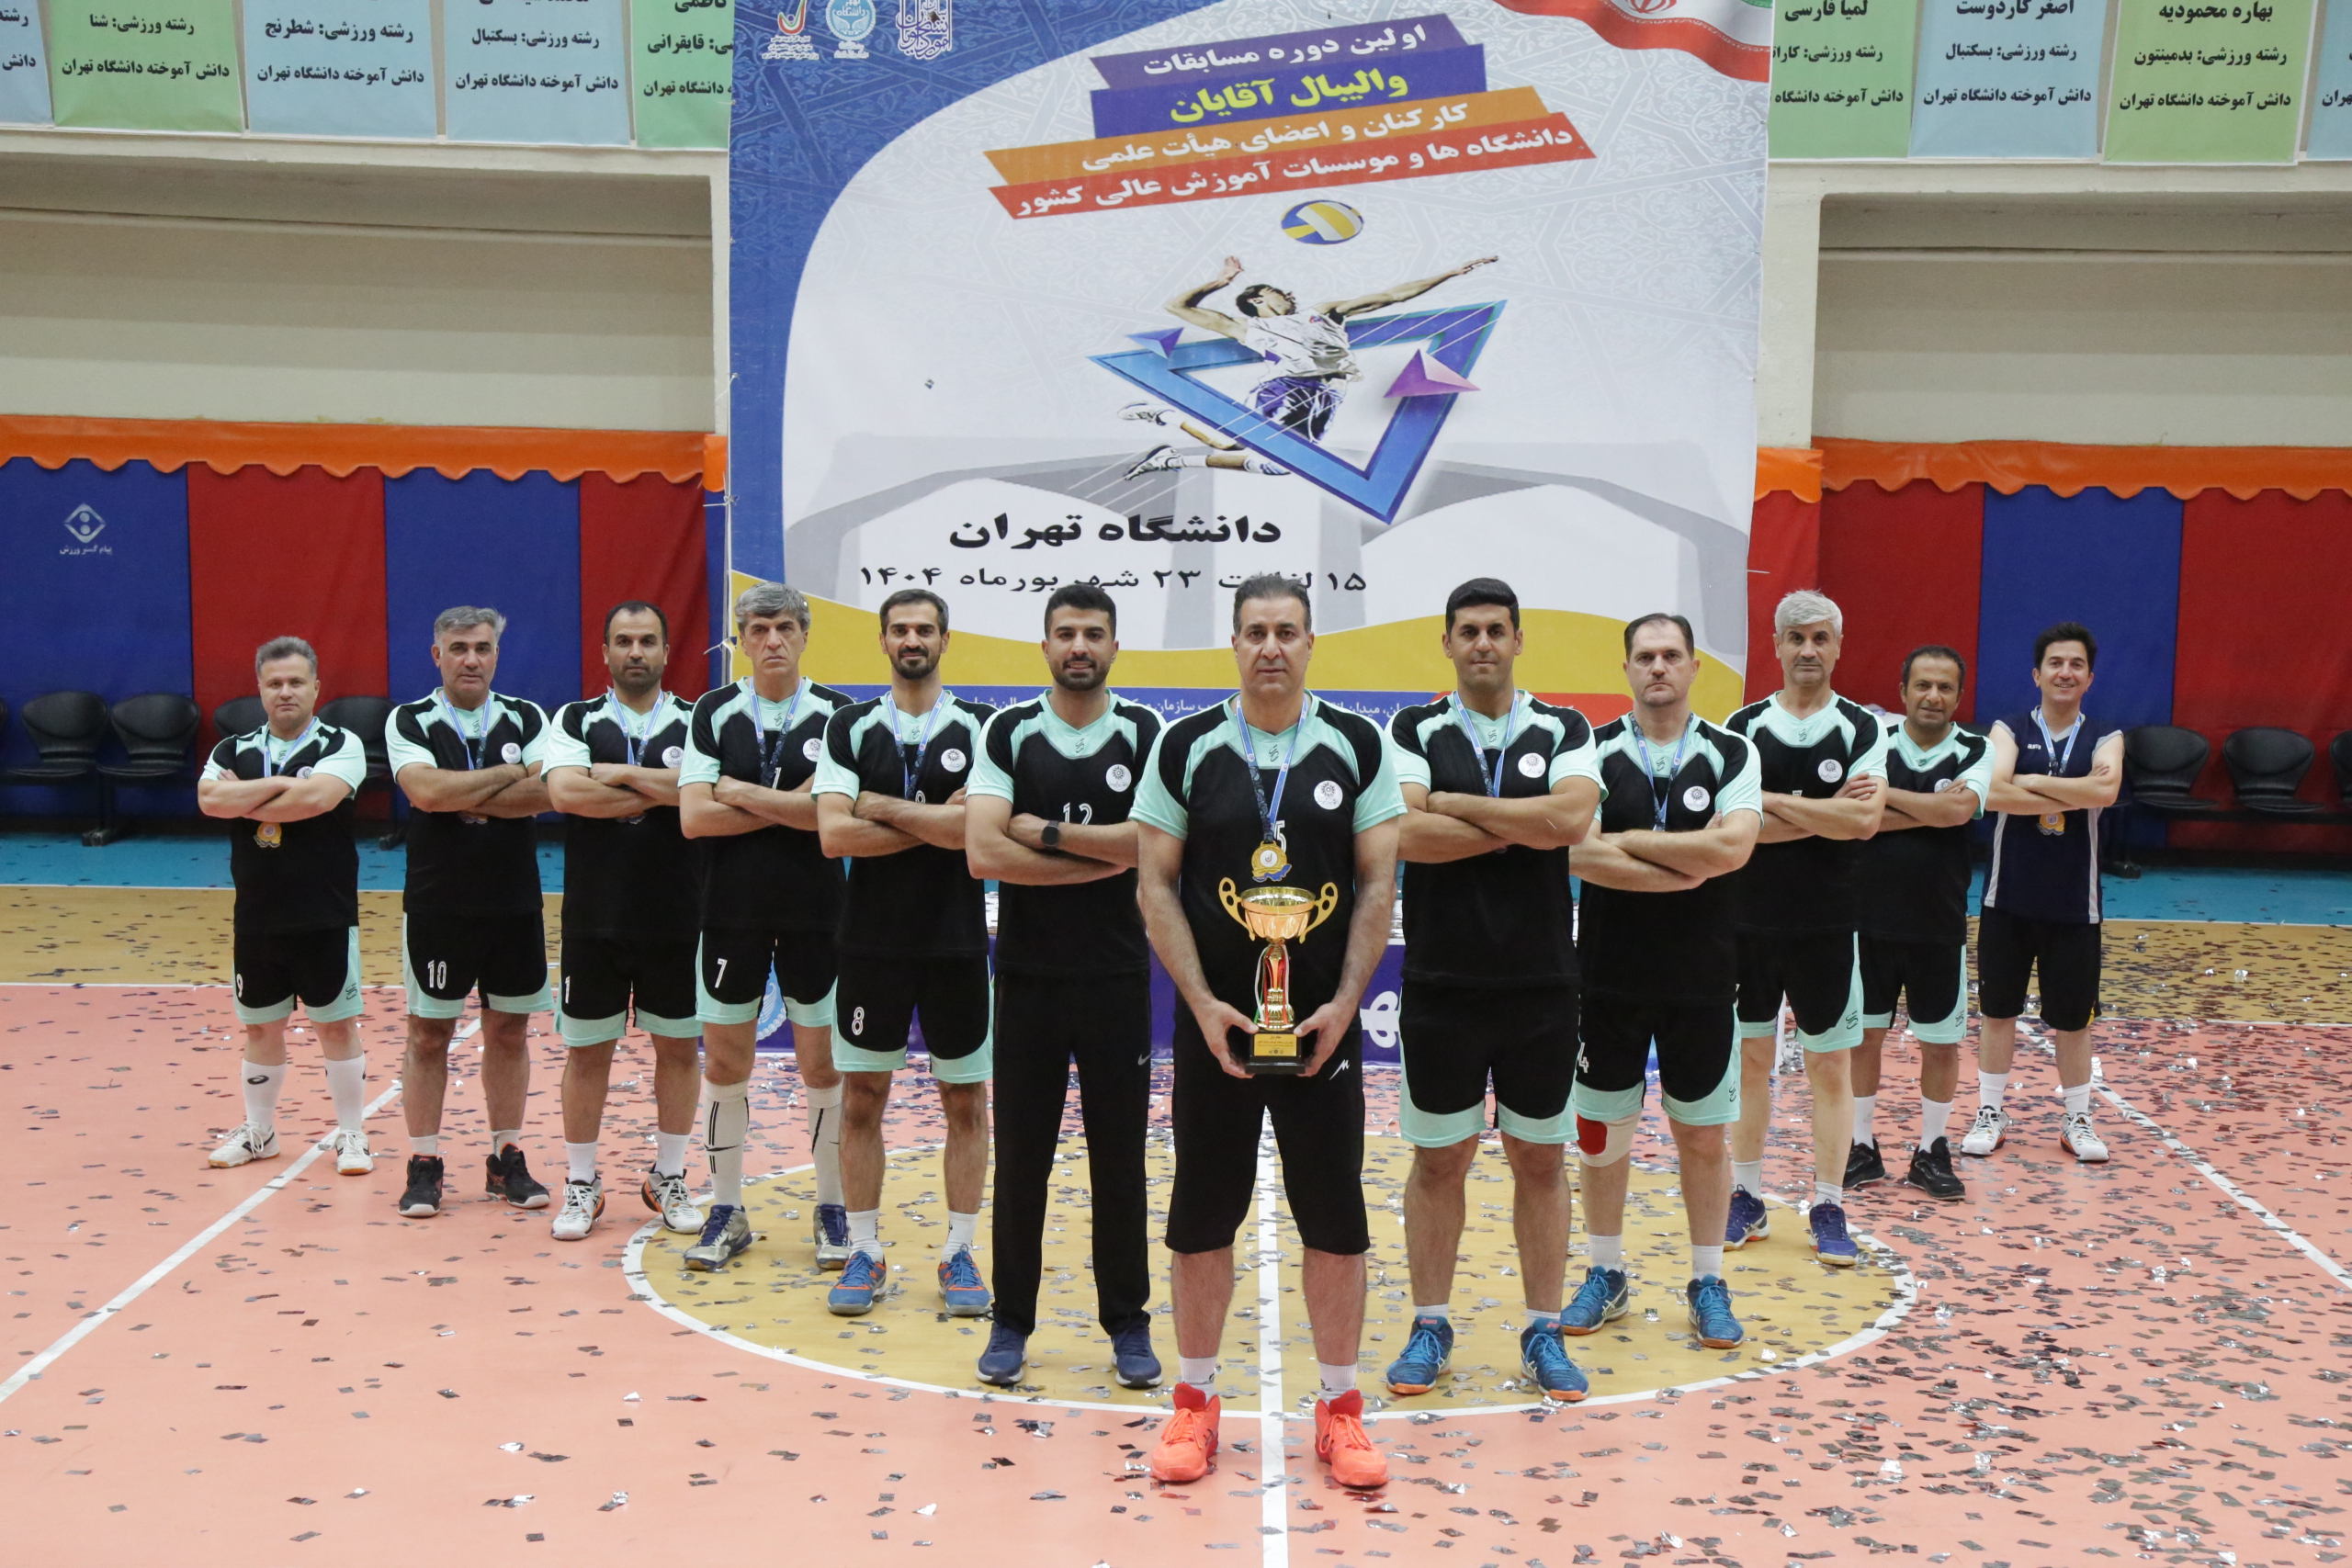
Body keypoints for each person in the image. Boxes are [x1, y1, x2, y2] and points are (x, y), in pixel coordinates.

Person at [1134, 574, 1403, 1490]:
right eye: (1255, 631)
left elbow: (1377, 884)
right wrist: (1202, 1003)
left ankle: (1339, 1410)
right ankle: (1195, 1402)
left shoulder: (1358, 745)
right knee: (1201, 1216)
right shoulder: (1185, 747)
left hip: (1322, 1029)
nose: (1271, 647)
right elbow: (1153, 884)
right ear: (1234, 643)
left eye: (1287, 631)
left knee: (1334, 1218)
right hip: (1217, 1030)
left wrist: (1348, 1001)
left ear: (1311, 641)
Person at [1382, 579, 1600, 1402]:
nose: (1482, 643)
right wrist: (1520, 821)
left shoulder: (1565, 726)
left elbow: (1570, 821)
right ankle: (1430, 1324)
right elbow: (1406, 833)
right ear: (1447, 642)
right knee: (1439, 1160)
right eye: (1468, 630)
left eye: (1496, 630)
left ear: (1517, 640)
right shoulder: (1412, 728)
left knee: (1540, 1160)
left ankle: (1544, 1330)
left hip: (1541, 983)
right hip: (1443, 981)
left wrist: (1458, 806)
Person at [964, 583, 1165, 1391]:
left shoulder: (1146, 732)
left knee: (1120, 1162)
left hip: (1116, 976)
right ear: (1044, 645)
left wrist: (1044, 832)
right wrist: (1102, 854)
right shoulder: (1007, 730)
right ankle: (1011, 1319)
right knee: (1022, 1161)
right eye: (1066, 633)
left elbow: (1154, 845)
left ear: (1115, 645)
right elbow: (983, 851)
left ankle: (1128, 1322)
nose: (1079, 645)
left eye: (1093, 633)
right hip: (1027, 979)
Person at [1563, 613, 1761, 1353]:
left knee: (1702, 1138)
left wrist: (1627, 845)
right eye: (1644, 656)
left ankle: (1708, 1279)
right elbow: (1574, 851)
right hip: (1607, 976)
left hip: (1702, 977)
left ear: (1693, 666)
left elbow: (1733, 848)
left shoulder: (1732, 751)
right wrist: (1684, 861)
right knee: (1601, 1136)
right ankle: (1606, 1270)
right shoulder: (1590, 749)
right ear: (1625, 667)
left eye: (1671, 654)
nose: (1657, 667)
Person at [812, 589, 998, 1315]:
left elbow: (974, 833)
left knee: (966, 1101)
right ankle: (864, 1250)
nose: (912, 639)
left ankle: (959, 1252)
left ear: (946, 639)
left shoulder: (982, 727)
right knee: (862, 1098)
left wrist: (878, 805)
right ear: (883, 641)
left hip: (956, 943)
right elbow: (834, 835)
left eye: (925, 628)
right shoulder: (849, 727)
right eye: (900, 629)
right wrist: (933, 820)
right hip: (870, 944)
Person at [677, 582, 853, 1270]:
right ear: (741, 640)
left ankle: (832, 1208)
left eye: (784, 627)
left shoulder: (838, 714)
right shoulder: (713, 712)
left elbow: (828, 816)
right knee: (726, 1062)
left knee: (823, 1064)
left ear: (805, 635)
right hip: (730, 911)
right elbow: (695, 817)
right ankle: (726, 1210)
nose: (772, 639)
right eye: (758, 628)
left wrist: (739, 792)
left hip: (818, 913)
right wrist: (790, 803)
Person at [1722, 591, 1886, 1268]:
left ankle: (1828, 1203)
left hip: (1828, 923)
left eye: (1820, 637)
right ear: (1777, 646)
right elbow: (1733, 825)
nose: (1808, 649)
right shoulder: (1742, 726)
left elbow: (1864, 821)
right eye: (1796, 638)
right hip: (1747, 920)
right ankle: (1747, 1196)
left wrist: (1769, 806)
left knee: (1829, 1066)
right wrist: (1822, 811)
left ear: (1838, 647)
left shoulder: (1862, 728)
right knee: (1751, 1062)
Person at [386, 607, 553, 1219]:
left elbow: (548, 791)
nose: (471, 659)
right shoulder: (409, 719)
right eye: (458, 648)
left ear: (496, 654)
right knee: (429, 1033)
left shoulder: (527, 716)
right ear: (437, 656)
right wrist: (509, 776)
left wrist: (463, 790)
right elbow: (425, 792)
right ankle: (424, 1161)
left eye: (482, 647)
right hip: (439, 902)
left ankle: (505, 1157)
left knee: (508, 1031)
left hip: (513, 901)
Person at [542, 602, 700, 1243]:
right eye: (625, 641)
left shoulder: (698, 720)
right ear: (605, 651)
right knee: (587, 1053)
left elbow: (702, 793)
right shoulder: (574, 719)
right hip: (594, 918)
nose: (637, 651)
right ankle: (582, 1182)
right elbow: (565, 793)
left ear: (666, 651)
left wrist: (621, 775)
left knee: (678, 1050)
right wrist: (664, 787)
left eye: (648, 641)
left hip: (678, 916)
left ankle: (669, 1175)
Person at [196, 636, 375, 1177]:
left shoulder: (341, 744)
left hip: (325, 912)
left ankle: (352, 1134)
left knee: (336, 1027)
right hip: (258, 916)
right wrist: (280, 786)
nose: (286, 691)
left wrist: (247, 795)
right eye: (274, 683)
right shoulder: (231, 750)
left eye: (296, 681)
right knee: (260, 1029)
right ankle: (261, 1132)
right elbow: (209, 800)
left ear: (316, 686)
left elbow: (316, 799)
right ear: (260, 689)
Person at [1967, 622, 2124, 1164]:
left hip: (2075, 905)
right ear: (2037, 674)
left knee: (2074, 1019)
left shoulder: (2106, 735)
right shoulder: (2007, 728)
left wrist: (2029, 782)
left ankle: (2077, 1118)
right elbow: (1992, 792)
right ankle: (1990, 1111)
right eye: (2056, 663)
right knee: (1998, 1012)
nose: (2065, 672)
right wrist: (2075, 791)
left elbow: (2107, 789)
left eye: (2076, 664)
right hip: (2007, 897)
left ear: (2090, 677)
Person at [1124, 251, 1497, 478]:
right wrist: (1219, 282)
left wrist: (1451, 273)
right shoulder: (1246, 327)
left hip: (1331, 394)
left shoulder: (1322, 312)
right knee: (1238, 446)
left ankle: (1169, 454)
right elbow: (1176, 306)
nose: (1289, 294)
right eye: (1277, 291)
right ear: (1257, 300)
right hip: (1287, 388)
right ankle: (1164, 421)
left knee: (1274, 464)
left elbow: (1390, 296)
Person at [1850, 646, 1993, 1201]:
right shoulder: (1873, 743)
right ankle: (1861, 1146)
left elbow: (1958, 811)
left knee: (1941, 1044)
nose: (1933, 696)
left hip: (1939, 922)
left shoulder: (1976, 749)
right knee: (1864, 1038)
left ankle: (1932, 1150)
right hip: (1867, 920)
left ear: (1959, 696)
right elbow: (1857, 818)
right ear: (1903, 691)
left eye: (1945, 687)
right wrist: (1929, 807)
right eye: (1923, 686)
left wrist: (1887, 801)